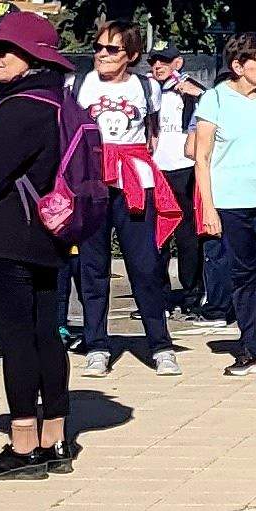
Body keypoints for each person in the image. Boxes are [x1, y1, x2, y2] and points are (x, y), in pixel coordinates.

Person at [0, 12, 87, 480]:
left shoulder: (20, 107)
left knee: (15, 337)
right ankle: (55, 437)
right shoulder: (57, 101)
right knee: (45, 332)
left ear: (30, 57)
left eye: (4, 50)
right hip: (51, 232)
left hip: (7, 235)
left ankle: (24, 443)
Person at [64, 21, 181, 377]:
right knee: (93, 267)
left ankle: (160, 344)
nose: (102, 54)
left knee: (145, 265)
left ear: (130, 56)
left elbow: (152, 132)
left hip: (133, 178)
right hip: (91, 180)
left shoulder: (147, 87)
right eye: (98, 47)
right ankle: (97, 345)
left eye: (112, 49)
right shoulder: (77, 85)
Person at [184, 32, 256, 377]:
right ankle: (249, 345)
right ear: (238, 66)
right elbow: (202, 157)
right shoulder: (215, 99)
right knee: (242, 272)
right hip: (229, 202)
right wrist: (209, 208)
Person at [145, 45, 205, 302]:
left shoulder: (190, 87)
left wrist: (198, 94)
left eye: (164, 61)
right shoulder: (149, 89)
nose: (158, 66)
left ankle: (192, 290)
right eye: (154, 61)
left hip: (184, 166)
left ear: (177, 63)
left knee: (186, 233)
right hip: (157, 167)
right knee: (157, 231)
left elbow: (213, 106)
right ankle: (159, 293)